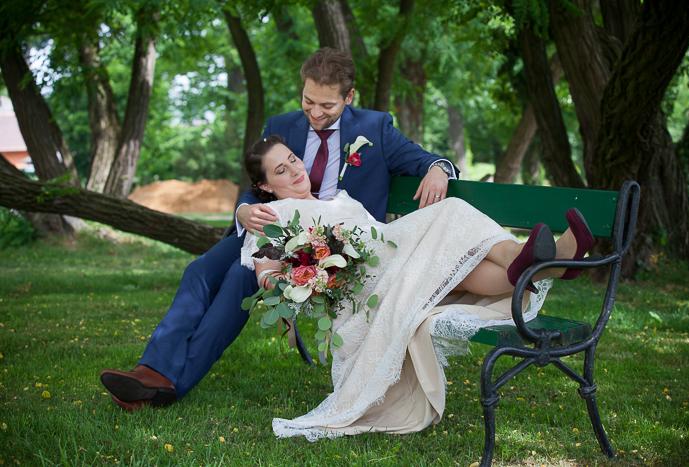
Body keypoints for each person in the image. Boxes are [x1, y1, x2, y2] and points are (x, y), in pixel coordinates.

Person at [99, 47, 460, 411]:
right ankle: (152, 370)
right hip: (271, 227)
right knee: (199, 270)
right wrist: (243, 210)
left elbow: (427, 160)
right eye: (308, 101)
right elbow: (256, 185)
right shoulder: (281, 126)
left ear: (349, 97)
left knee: (239, 279)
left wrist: (438, 169)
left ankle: (167, 385)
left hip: (324, 247)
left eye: (327, 106)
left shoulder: (375, 128)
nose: (315, 114)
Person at [239, 136, 595, 439]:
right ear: (265, 186)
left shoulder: (340, 198)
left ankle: (545, 264)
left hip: (391, 256)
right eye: (281, 170)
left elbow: (376, 231)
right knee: (451, 210)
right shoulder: (272, 215)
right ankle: (535, 259)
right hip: (367, 283)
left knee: (463, 268)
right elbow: (267, 276)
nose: (295, 170)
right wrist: (308, 279)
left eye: (293, 159)